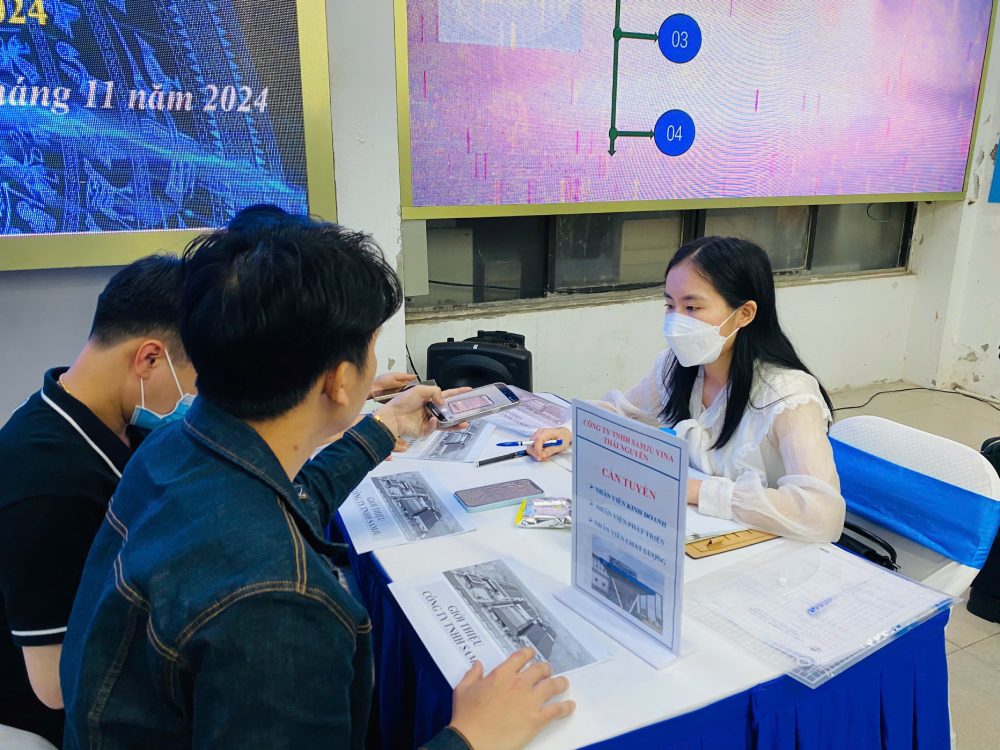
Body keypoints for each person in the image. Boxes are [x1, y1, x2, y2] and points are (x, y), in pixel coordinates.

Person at [60, 213, 574, 749]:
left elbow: (280, 502)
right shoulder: (282, 602)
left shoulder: (175, 446)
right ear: (341, 378)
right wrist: (472, 737)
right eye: (371, 345)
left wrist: (385, 427)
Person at [529, 236, 846, 543]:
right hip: (699, 536)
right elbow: (623, 412)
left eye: (692, 308)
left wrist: (696, 491)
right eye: (670, 305)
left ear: (745, 314)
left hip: (773, 554)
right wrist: (570, 430)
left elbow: (821, 515)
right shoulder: (676, 367)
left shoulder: (788, 396)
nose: (675, 322)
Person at [0, 255, 195, 747]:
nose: (200, 399)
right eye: (199, 382)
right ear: (150, 359)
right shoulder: (47, 485)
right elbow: (56, 686)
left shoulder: (102, 416)